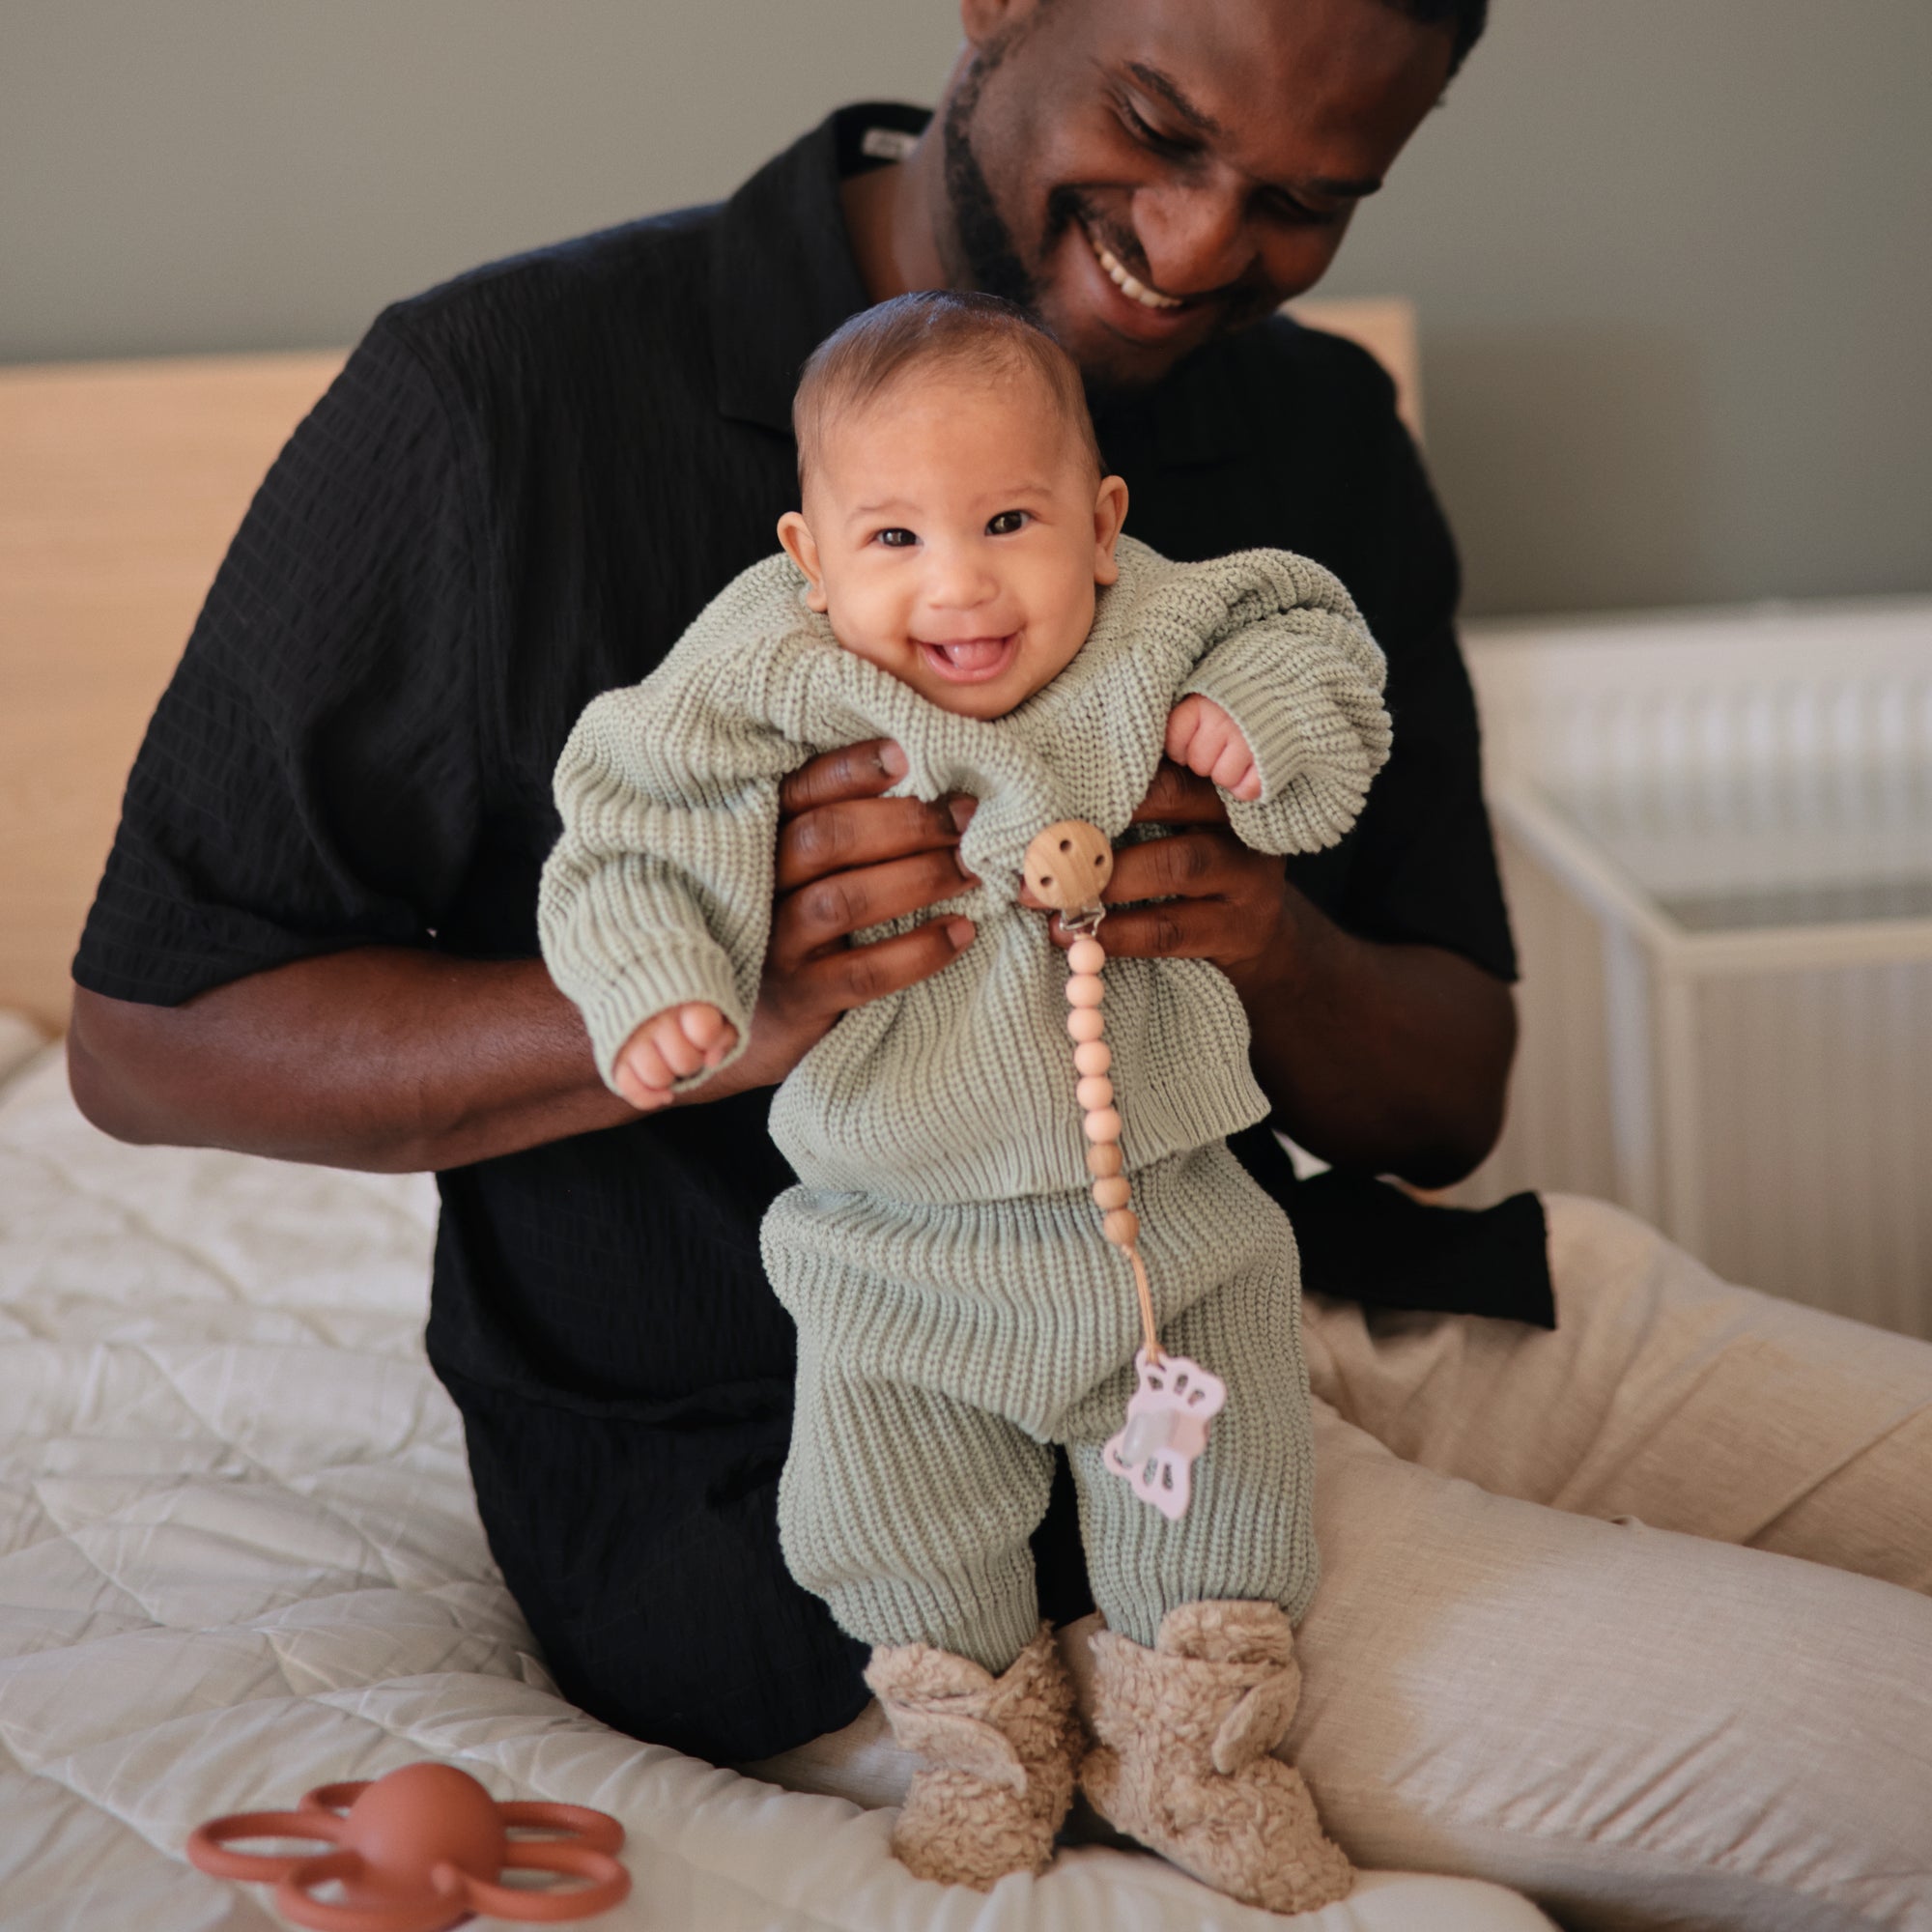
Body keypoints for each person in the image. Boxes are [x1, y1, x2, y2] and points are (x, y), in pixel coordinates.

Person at [64, 0, 1932, 1923]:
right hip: (888, 1455)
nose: (1205, 249)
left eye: (1307, 200)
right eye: (1155, 126)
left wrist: (1256, 930)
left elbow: (1443, 1091)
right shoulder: (504, 402)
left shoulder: (1303, 437)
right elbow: (146, 1039)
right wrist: (722, 1004)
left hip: (1308, 1286)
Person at [539, 288, 1388, 1905]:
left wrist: (1254, 722)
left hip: (1169, 1235)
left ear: (1102, 520)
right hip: (895, 1241)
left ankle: (1199, 1761)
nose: (961, 584)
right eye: (896, 540)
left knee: (1219, 1515)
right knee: (898, 1520)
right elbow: (634, 810)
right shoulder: (775, 670)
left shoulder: (1157, 624)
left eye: (1011, 520)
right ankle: (983, 1762)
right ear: (809, 555)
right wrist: (657, 980)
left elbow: (1313, 632)